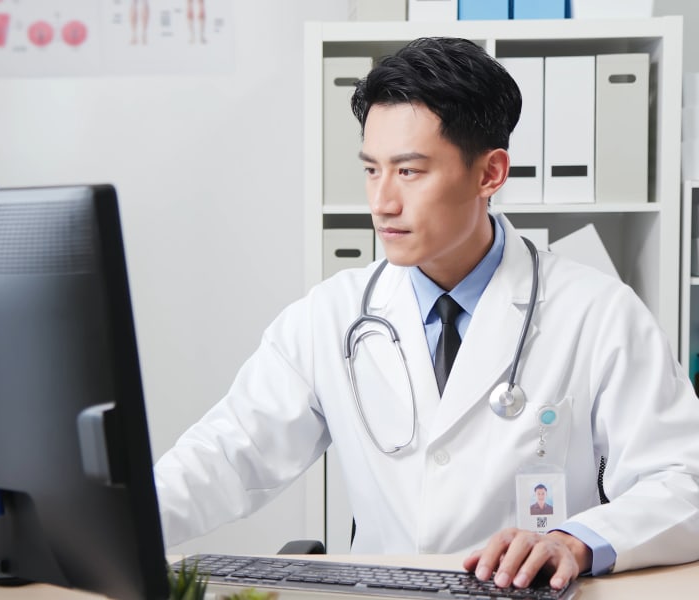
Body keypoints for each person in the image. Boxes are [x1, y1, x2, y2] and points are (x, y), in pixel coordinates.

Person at [154, 37, 699, 591]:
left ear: (490, 174)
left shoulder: (597, 313)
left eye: (409, 172)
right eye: (372, 170)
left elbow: (684, 481)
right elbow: (226, 454)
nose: (382, 202)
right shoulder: (330, 316)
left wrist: (574, 540)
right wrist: (111, 526)